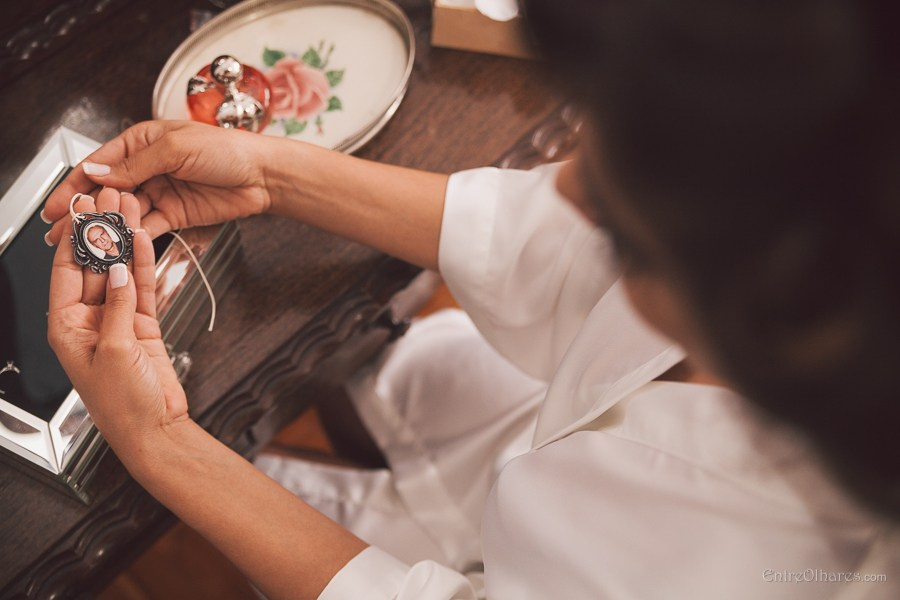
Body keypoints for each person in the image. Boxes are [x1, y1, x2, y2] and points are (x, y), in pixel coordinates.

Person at [41, 0, 899, 598]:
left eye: (631, 193)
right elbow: (547, 245)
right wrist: (269, 172)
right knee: (402, 370)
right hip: (526, 431)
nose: (570, 192)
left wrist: (161, 447)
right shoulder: (812, 210)